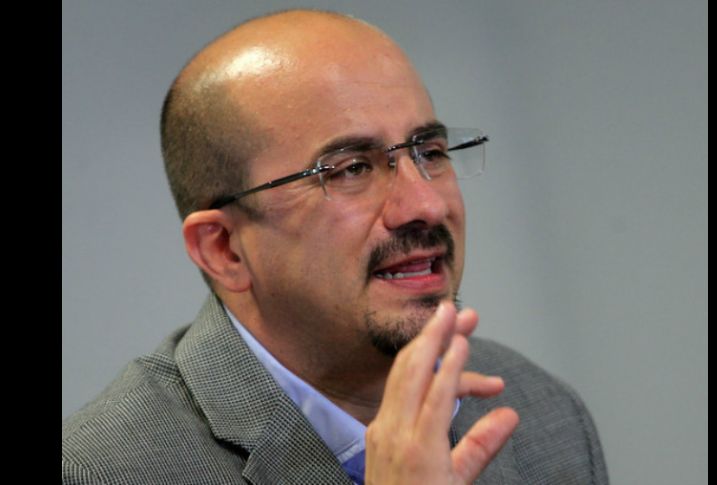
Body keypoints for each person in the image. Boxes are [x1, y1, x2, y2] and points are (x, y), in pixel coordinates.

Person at [62, 9, 609, 484]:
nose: (425, 205)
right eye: (350, 169)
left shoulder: (544, 415)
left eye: (430, 152)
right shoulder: (100, 470)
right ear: (225, 249)